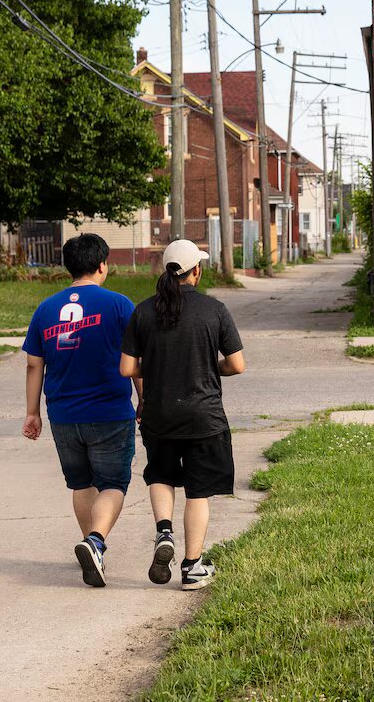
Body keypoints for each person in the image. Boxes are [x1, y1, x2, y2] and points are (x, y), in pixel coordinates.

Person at [120, 239, 245, 591]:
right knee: (198, 490)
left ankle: (164, 532)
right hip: (203, 417)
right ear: (197, 271)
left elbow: (126, 367)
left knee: (159, 474)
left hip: (159, 415)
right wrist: (209, 365)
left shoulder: (143, 311)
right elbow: (237, 364)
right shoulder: (214, 309)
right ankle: (192, 567)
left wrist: (160, 365)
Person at [22, 233, 137, 588]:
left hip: (63, 413)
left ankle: (93, 547)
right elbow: (136, 361)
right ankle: (95, 542)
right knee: (114, 484)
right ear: (103, 265)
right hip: (110, 411)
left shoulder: (45, 309)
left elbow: (33, 365)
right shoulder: (119, 305)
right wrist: (144, 400)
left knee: (81, 482)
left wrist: (32, 412)